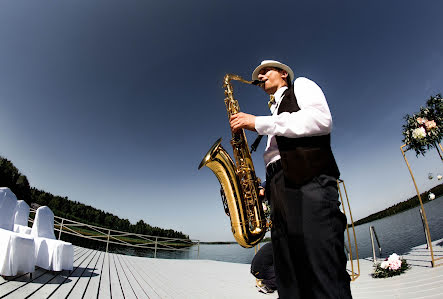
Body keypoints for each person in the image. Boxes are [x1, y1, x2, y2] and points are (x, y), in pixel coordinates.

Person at [230, 60, 352, 298]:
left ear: (284, 74)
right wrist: (265, 187)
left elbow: (321, 120)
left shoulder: (302, 85)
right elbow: (277, 157)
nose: (261, 75)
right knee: (288, 277)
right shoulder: (273, 113)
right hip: (279, 190)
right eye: (259, 74)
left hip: (309, 182)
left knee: (323, 270)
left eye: (266, 71)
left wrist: (257, 122)